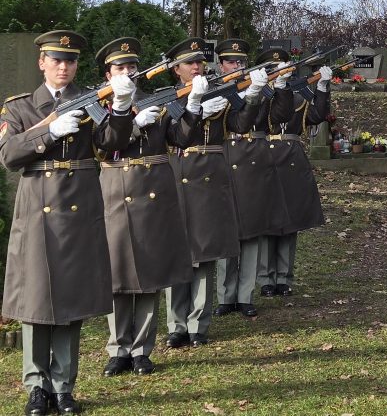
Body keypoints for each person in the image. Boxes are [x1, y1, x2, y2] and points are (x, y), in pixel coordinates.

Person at [1, 31, 135, 415]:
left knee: (70, 298)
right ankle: (36, 387)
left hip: (78, 210)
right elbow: (9, 155)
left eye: (71, 60)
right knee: (36, 299)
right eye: (56, 60)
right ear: (41, 62)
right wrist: (49, 131)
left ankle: (63, 386)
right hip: (36, 211)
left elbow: (113, 144)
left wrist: (121, 108)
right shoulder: (20, 107)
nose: (64, 67)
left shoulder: (91, 101)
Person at [95, 38, 203, 377]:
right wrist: (131, 123)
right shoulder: (97, 105)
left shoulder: (155, 100)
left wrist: (193, 106)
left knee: (149, 272)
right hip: (116, 191)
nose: (127, 72)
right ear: (108, 74)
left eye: (131, 67)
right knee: (118, 274)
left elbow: (180, 138)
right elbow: (104, 146)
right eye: (120, 67)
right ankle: (118, 349)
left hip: (153, 191)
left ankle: (142, 349)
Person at [163, 38, 268, 349]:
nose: (196, 67)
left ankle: (198, 324)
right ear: (176, 69)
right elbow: (171, 136)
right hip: (179, 174)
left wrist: (252, 96)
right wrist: (192, 108)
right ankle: (176, 324)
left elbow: (240, 124)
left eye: (199, 61)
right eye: (189, 63)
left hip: (210, 176)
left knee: (205, 252)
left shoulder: (220, 91)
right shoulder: (168, 97)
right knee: (178, 252)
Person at [216, 41, 292, 318]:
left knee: (251, 231)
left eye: (241, 62)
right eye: (231, 62)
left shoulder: (260, 86)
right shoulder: (212, 90)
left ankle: (245, 295)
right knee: (227, 230)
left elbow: (281, 117)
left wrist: (281, 86)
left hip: (253, 162)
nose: (237, 66)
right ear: (221, 65)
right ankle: (225, 296)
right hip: (224, 159)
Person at [258, 51, 332, 298]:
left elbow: (317, 116)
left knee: (289, 222)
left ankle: (284, 277)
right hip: (264, 158)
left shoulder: (297, 96)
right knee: (266, 221)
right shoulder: (258, 95)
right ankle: (266, 278)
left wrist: (322, 87)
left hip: (291, 160)